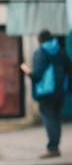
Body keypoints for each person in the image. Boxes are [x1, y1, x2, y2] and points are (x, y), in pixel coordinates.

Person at [20, 30, 72, 158]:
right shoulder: (61, 50)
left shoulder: (40, 52)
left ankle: (52, 148)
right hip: (60, 90)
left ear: (40, 40)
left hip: (46, 91)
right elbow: (69, 70)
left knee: (49, 118)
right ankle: (55, 146)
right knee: (56, 118)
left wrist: (27, 71)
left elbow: (37, 75)